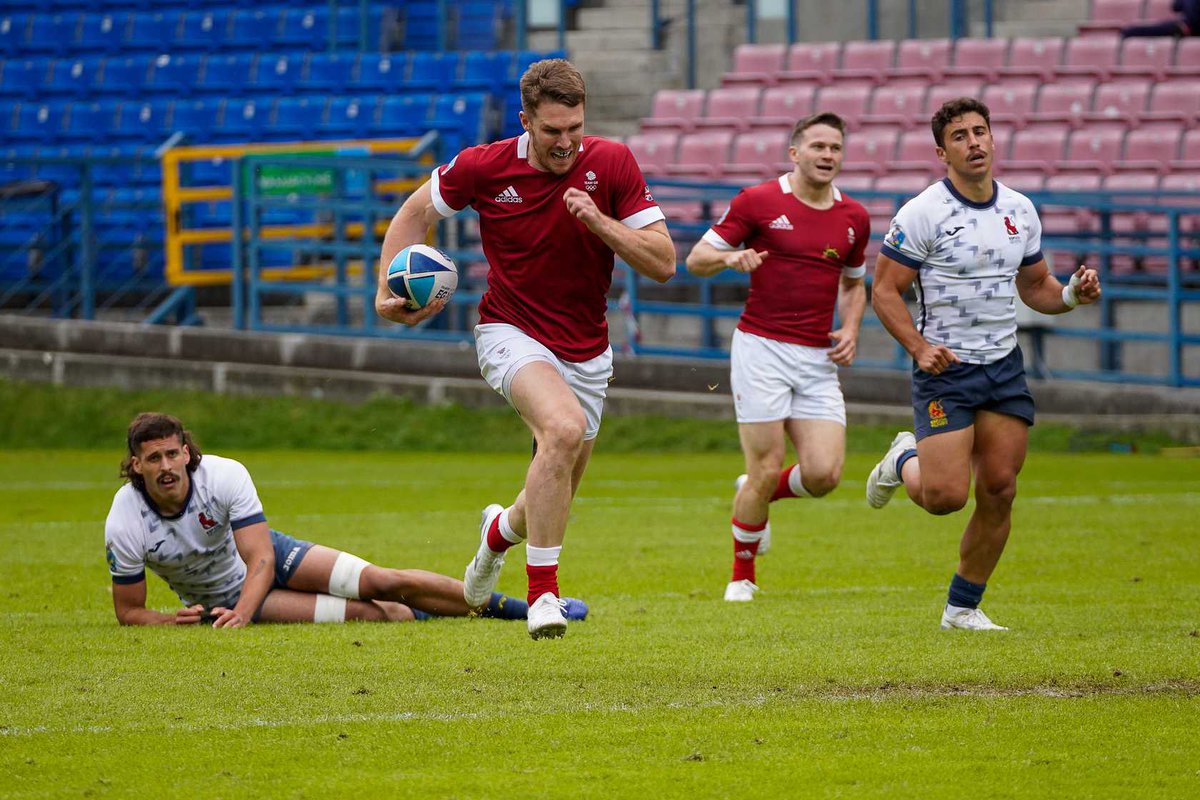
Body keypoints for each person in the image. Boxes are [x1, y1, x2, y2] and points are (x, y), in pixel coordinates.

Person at [375, 59, 675, 639]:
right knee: (560, 431)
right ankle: (544, 597)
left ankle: (496, 536)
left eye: (575, 129)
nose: (566, 143)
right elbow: (414, 213)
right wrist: (387, 289)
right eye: (552, 131)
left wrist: (600, 222)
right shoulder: (482, 167)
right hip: (509, 331)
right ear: (525, 122)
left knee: (554, 477)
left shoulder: (611, 163)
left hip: (588, 348)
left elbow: (663, 262)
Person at [866, 97, 1101, 631]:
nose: (973, 142)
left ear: (993, 139)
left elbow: (1037, 287)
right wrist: (919, 349)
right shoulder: (922, 213)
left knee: (1000, 489)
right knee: (946, 497)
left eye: (980, 132)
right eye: (960, 136)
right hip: (946, 370)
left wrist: (1071, 295)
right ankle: (905, 457)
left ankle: (962, 608)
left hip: (1002, 366)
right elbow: (883, 291)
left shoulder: (1019, 209)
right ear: (941, 151)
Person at [105, 412, 588, 627]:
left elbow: (260, 559)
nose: (166, 466)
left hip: (266, 562)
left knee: (382, 580)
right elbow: (128, 611)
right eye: (154, 459)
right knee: (372, 614)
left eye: (173, 454)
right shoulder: (125, 520)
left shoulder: (223, 475)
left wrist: (243, 614)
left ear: (187, 452)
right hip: (221, 599)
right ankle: (419, 612)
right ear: (136, 465)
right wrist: (172, 621)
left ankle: (520, 607)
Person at [685, 112, 870, 602]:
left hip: (816, 357)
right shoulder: (758, 202)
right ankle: (742, 575)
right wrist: (730, 257)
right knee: (768, 464)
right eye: (818, 147)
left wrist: (851, 327)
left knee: (825, 475)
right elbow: (696, 260)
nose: (828, 155)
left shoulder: (854, 218)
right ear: (795, 153)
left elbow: (854, 286)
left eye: (835, 147)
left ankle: (756, 490)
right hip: (761, 348)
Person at [1121, 0, 1200, 37]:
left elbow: (1176, 6)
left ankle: (1128, 32)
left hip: (1189, 26)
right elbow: (1175, 6)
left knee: (1132, 31)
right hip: (1187, 25)